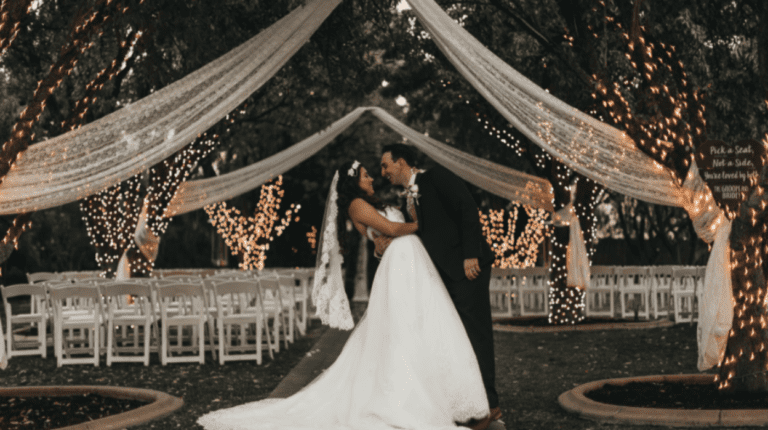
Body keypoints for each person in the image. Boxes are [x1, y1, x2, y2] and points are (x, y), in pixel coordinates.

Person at [197, 160, 490, 430]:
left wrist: (410, 222)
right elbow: (389, 228)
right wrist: (422, 228)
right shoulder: (356, 205)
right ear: (354, 181)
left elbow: (391, 231)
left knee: (422, 325)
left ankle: (440, 394)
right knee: (400, 330)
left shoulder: (375, 201)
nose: (372, 176)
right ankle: (404, 397)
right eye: (366, 175)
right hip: (400, 265)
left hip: (412, 262)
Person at [378, 144, 501, 429]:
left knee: (476, 334)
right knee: (456, 339)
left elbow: (468, 209)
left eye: (386, 165)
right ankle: (469, 401)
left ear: (402, 162)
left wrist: (471, 254)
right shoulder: (407, 197)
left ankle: (491, 404)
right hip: (442, 275)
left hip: (467, 269)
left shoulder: (437, 177)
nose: (383, 172)